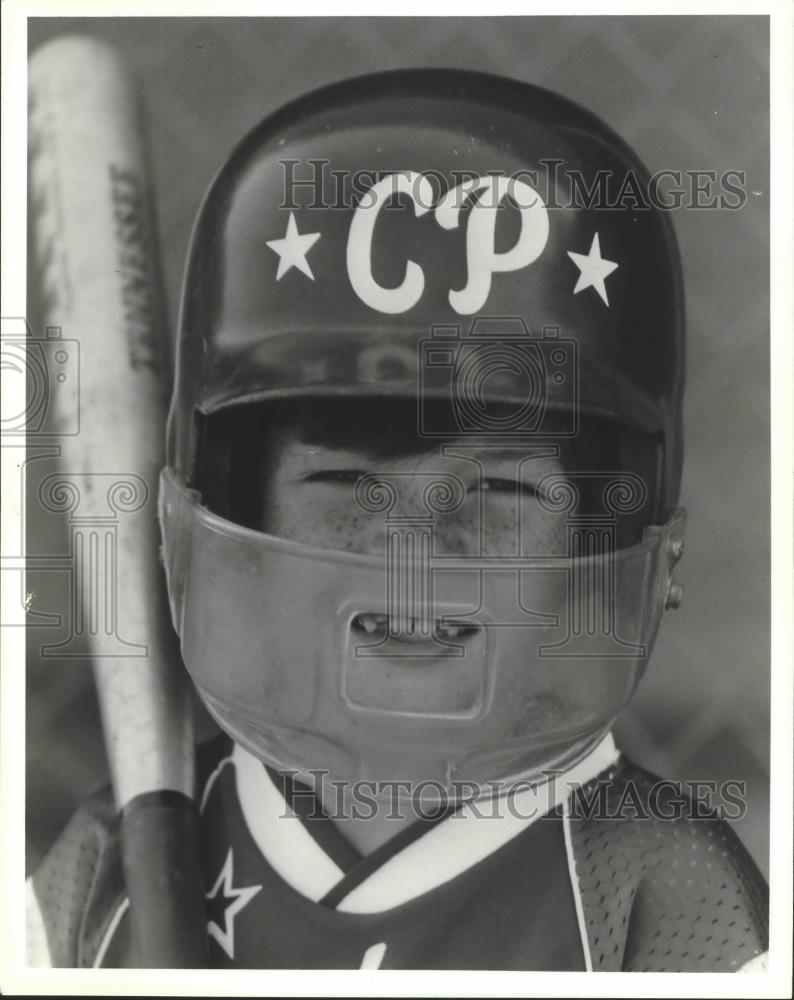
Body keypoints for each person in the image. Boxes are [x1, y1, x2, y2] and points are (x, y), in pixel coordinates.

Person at [27, 68, 768, 971]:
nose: (415, 548)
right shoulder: (107, 877)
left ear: (616, 541)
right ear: (223, 510)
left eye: (502, 492)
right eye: (343, 482)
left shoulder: (659, 888)